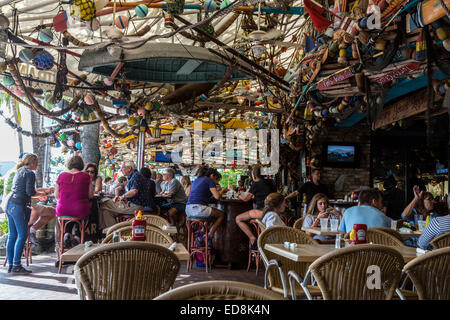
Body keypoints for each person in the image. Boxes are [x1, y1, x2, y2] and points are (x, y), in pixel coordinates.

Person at [4, 153, 48, 273]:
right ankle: (17, 265)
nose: (37, 165)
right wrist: (42, 195)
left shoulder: (20, 171)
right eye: (37, 162)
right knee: (22, 235)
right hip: (18, 206)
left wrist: (39, 194)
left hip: (10, 204)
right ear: (33, 162)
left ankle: (12, 265)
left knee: (13, 235)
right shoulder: (30, 173)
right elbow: (30, 192)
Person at [99, 160, 152, 229]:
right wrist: (122, 197)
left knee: (104, 204)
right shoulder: (135, 176)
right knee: (106, 212)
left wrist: (122, 196)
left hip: (135, 206)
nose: (121, 170)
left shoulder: (136, 176)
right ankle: (114, 234)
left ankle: (102, 232)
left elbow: (134, 191)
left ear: (129, 168)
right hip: (133, 205)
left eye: (122, 167)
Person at [54, 156, 93, 248]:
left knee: (68, 215)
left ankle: (66, 234)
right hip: (80, 208)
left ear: (69, 164)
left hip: (62, 209)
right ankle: (78, 237)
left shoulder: (61, 176)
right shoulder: (86, 176)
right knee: (84, 217)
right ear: (81, 165)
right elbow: (90, 195)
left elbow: (56, 195)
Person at [236, 166, 276, 249]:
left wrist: (238, 194)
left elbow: (245, 199)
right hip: (274, 211)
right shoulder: (271, 182)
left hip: (262, 212)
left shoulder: (256, 184)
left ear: (254, 176)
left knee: (238, 219)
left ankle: (253, 238)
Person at [185, 167, 225, 236]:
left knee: (212, 214)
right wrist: (223, 191)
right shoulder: (209, 180)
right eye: (217, 179)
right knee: (221, 214)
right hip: (198, 209)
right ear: (212, 175)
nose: (217, 182)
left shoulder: (196, 180)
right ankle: (209, 235)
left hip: (188, 210)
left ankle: (201, 232)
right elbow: (217, 197)